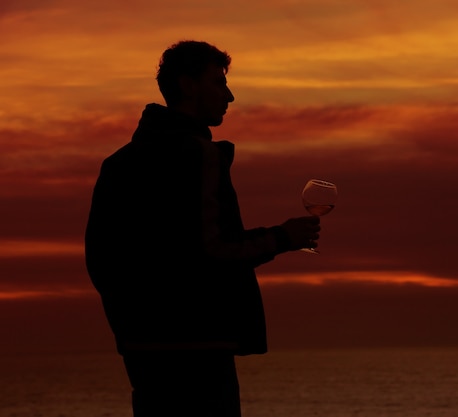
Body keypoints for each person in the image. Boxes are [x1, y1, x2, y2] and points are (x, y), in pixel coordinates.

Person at [85, 40, 321, 417]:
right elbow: (212, 248)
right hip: (199, 347)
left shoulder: (119, 163)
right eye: (217, 82)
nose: (229, 95)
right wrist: (282, 237)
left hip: (140, 347)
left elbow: (99, 257)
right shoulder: (199, 155)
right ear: (188, 85)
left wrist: (130, 318)